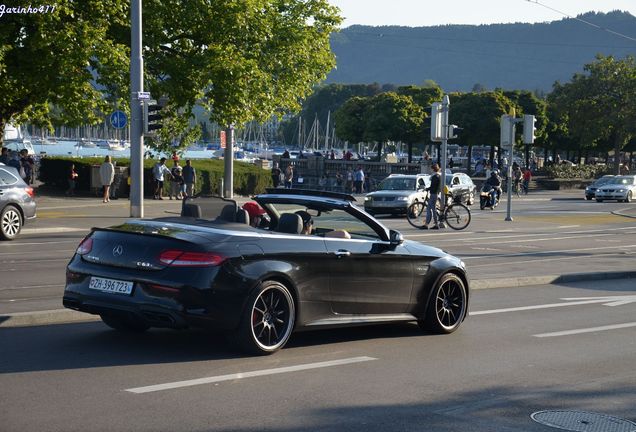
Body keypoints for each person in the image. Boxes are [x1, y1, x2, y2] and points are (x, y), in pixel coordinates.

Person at [423, 163, 441, 229]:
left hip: (433, 194)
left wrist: (427, 189)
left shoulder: (435, 177)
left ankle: (426, 224)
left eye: (431, 169)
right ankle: (436, 224)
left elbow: (433, 186)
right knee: (433, 209)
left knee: (429, 209)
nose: (430, 170)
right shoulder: (437, 176)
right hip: (435, 193)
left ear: (433, 169)